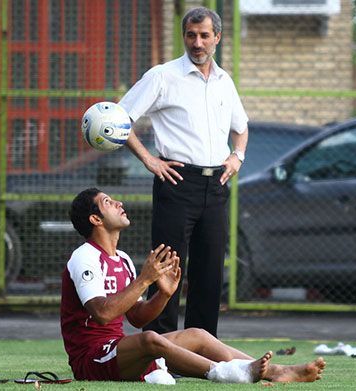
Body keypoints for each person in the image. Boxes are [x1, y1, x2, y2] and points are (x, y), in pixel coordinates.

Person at [60, 188, 326, 383]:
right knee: (151, 338)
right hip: (91, 360)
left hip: (118, 351)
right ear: (96, 219)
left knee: (197, 333)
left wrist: (164, 295)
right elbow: (103, 313)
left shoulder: (124, 259)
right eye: (108, 202)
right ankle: (227, 373)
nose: (118, 202)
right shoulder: (85, 256)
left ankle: (277, 371)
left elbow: (138, 317)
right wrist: (145, 280)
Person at [118, 6, 247, 337]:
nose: (198, 43)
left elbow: (241, 127)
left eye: (205, 35)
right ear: (183, 37)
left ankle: (202, 351)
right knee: (166, 270)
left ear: (217, 37)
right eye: (191, 35)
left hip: (217, 184)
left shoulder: (224, 80)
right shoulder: (162, 76)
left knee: (209, 274)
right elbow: (119, 118)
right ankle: (158, 352)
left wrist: (237, 157)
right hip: (176, 182)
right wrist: (149, 159)